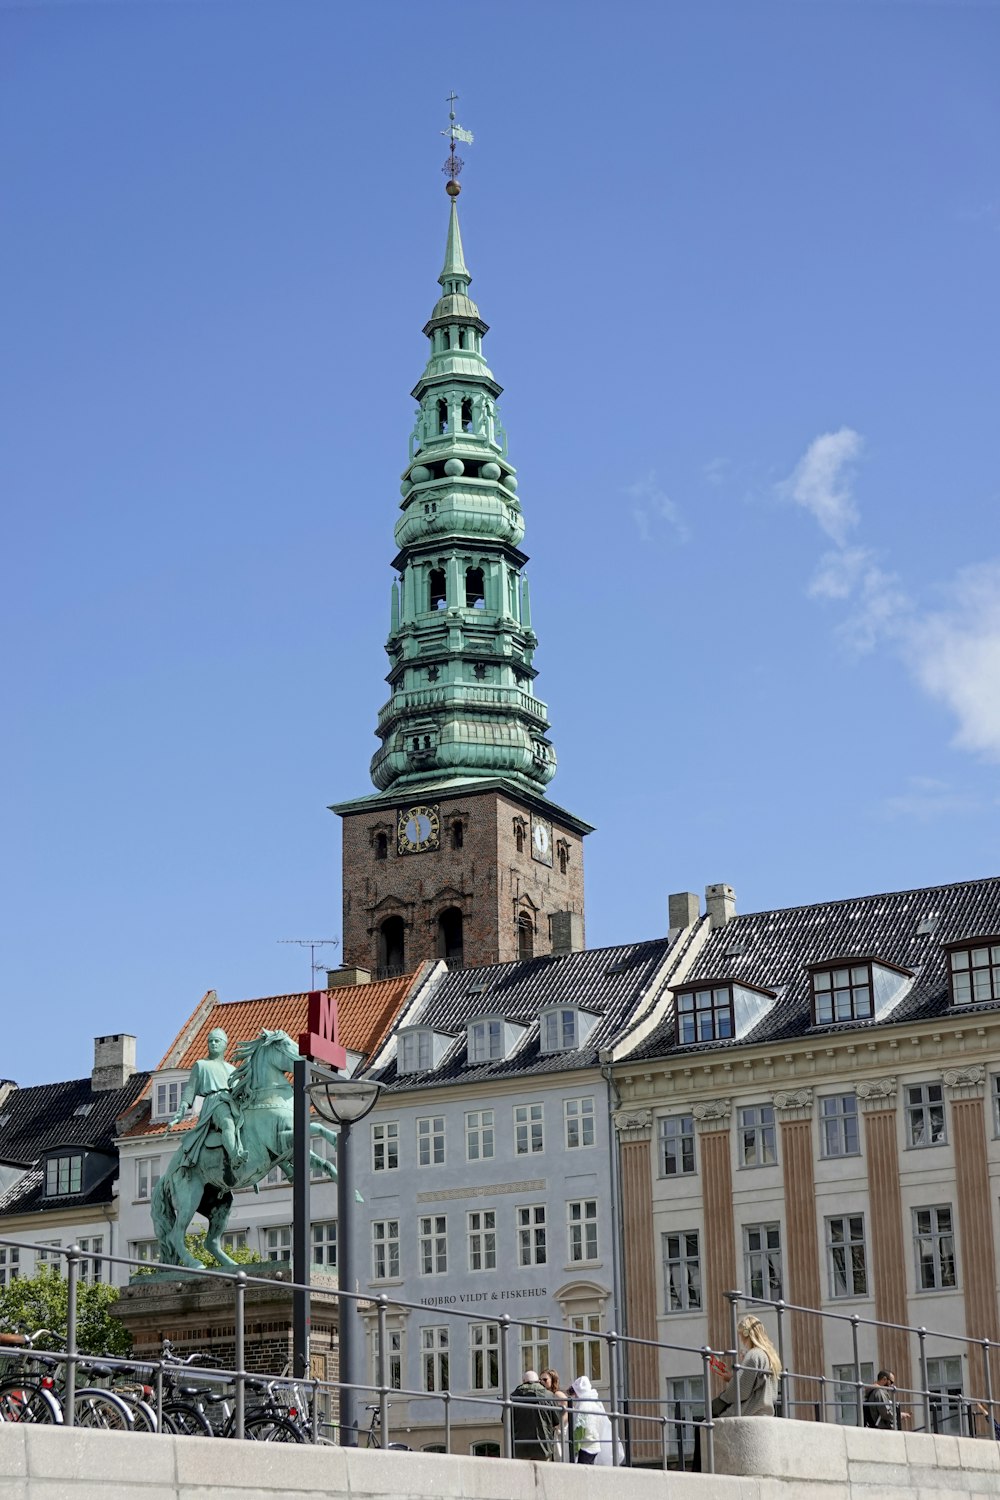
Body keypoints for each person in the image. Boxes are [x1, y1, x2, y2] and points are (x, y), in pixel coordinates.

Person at [169, 1028, 246, 1183]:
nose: (213, 1043)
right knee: (228, 1124)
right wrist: (180, 1112)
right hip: (214, 1102)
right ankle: (235, 1157)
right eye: (210, 1041)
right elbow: (190, 1090)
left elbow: (239, 1091)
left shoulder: (232, 1069)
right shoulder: (201, 1065)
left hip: (231, 1102)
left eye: (217, 1041)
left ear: (225, 1045)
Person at [712, 1315, 781, 1420]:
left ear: (745, 1333)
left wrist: (724, 1395)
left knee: (707, 1417)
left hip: (750, 1410)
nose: (741, 1339)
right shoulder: (771, 1356)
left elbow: (741, 1391)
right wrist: (733, 1377)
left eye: (740, 1335)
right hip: (765, 1411)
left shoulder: (753, 1355)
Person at [568, 1373, 621, 1466]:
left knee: (583, 1469)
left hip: (586, 1445)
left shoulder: (583, 1405)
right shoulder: (595, 1402)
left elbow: (581, 1428)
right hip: (595, 1444)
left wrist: (575, 1446)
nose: (574, 1396)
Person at [511, 1369, 560, 1461]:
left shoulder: (514, 1396)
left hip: (520, 1447)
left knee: (521, 1473)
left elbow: (506, 1420)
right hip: (543, 1446)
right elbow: (556, 1420)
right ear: (538, 1381)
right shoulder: (548, 1396)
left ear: (523, 1381)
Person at [541, 1368, 568, 1460]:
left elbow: (567, 1409)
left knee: (559, 1454)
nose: (542, 1382)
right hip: (553, 1430)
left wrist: (559, 1425)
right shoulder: (547, 1395)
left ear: (553, 1380)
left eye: (545, 1380)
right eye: (540, 1380)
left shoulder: (557, 1394)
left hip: (560, 1430)